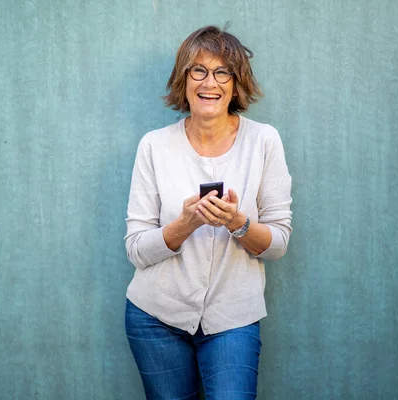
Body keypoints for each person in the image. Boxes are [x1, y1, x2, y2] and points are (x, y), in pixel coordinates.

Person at [124, 25, 292, 399]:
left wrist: (237, 222)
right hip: (155, 319)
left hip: (233, 319)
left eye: (222, 72)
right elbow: (135, 249)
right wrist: (185, 224)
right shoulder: (154, 146)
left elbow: (278, 243)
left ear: (235, 83)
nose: (209, 82)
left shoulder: (264, 141)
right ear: (183, 80)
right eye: (197, 70)